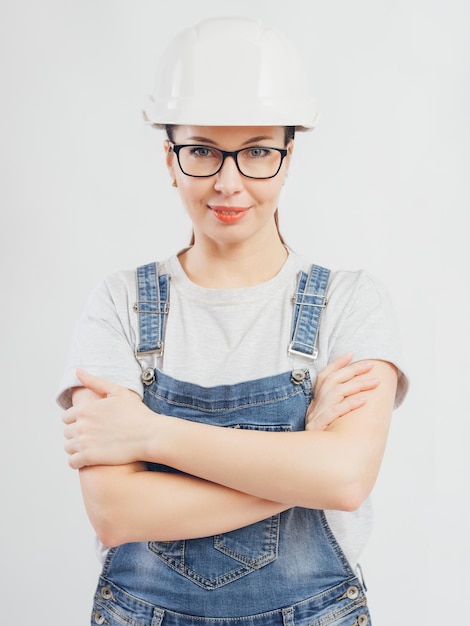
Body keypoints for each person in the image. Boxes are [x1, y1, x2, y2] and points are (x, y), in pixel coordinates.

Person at [58, 16, 408, 626]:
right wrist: (303, 461)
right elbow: (116, 511)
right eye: (201, 151)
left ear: (288, 156)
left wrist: (148, 436)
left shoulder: (350, 302)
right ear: (169, 159)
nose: (229, 182)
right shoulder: (118, 303)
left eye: (256, 152)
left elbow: (347, 479)